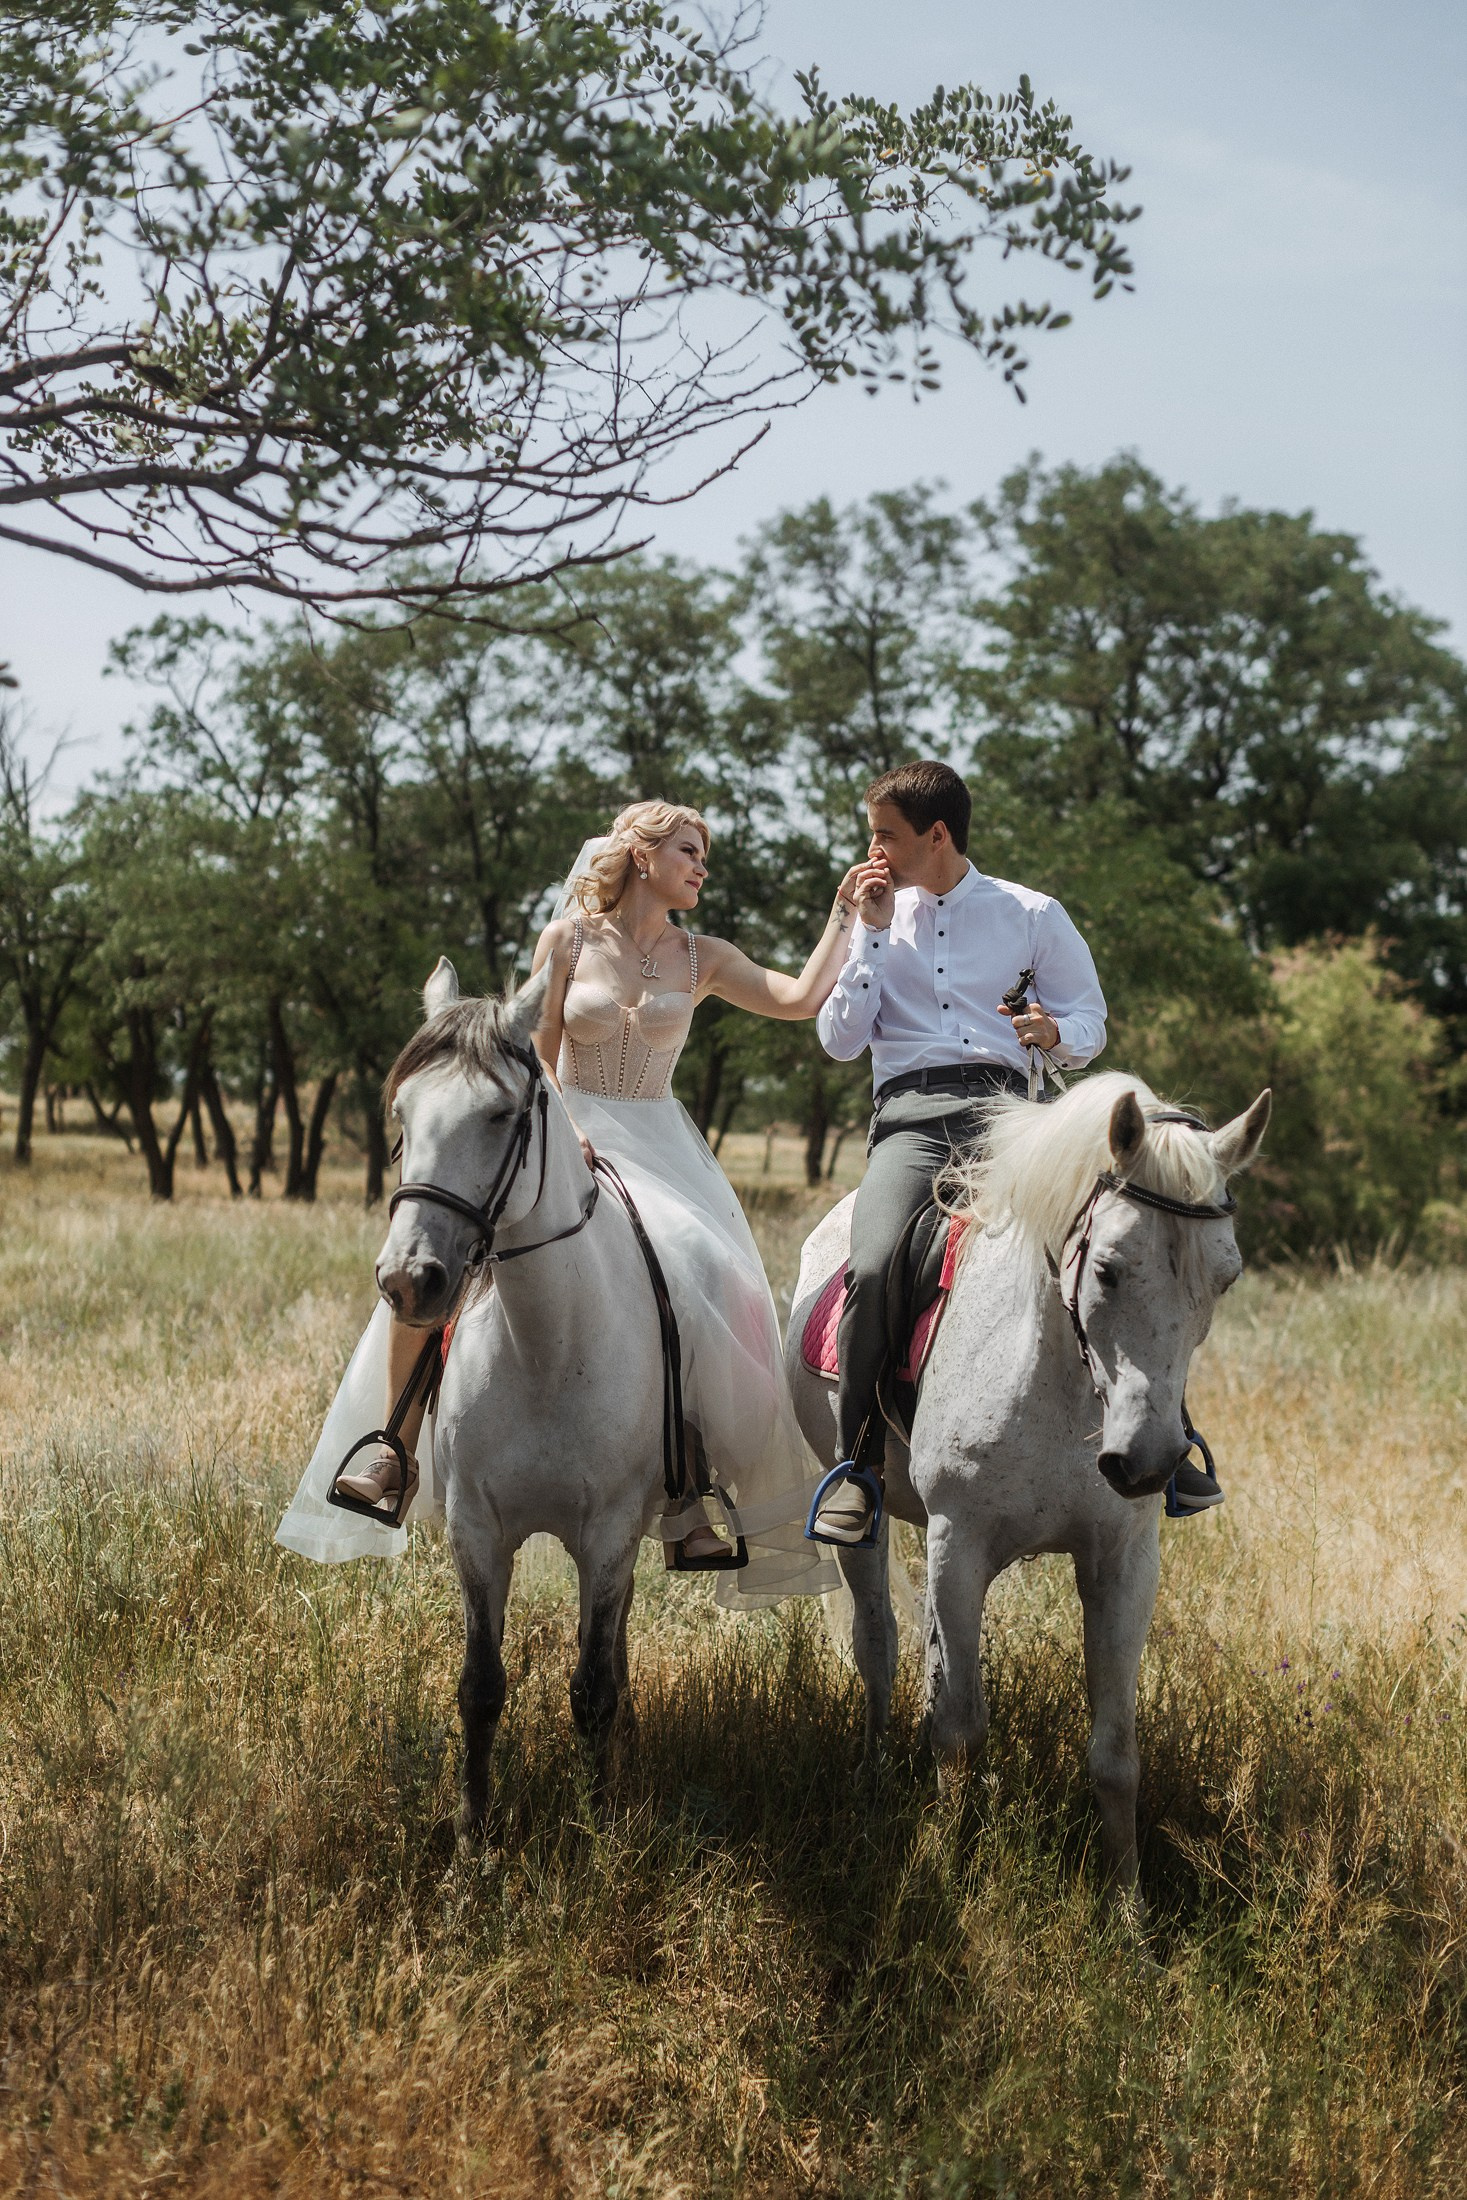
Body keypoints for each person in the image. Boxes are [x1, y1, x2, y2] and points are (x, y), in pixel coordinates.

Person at [281, 797, 883, 1604]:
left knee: (706, 1273)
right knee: (444, 1260)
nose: (700, 868)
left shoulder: (702, 957)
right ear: (641, 855)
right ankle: (391, 1445)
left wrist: (846, 912)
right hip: (561, 1132)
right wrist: (567, 1136)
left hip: (661, 1150)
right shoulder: (565, 940)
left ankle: (687, 1484)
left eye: (702, 855)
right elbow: (538, 1058)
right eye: (687, 851)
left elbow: (801, 997)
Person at [805, 760, 1230, 1546]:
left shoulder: (1032, 913)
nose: (871, 850)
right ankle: (857, 1466)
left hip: (1016, 1116)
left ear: (935, 835)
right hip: (911, 1120)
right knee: (872, 1262)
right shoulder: (865, 915)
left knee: (1124, 1243)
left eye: (885, 835)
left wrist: (1053, 1033)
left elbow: (1089, 1022)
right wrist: (869, 934)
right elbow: (837, 1039)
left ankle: (1172, 1442)